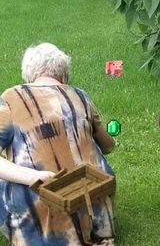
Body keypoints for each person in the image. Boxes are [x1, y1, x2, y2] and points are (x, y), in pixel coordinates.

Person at [0, 42, 116, 246]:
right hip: (94, 202)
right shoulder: (81, 95)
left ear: (30, 76)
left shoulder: (11, 98)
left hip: (41, 209)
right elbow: (108, 146)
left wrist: (33, 176)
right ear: (63, 75)